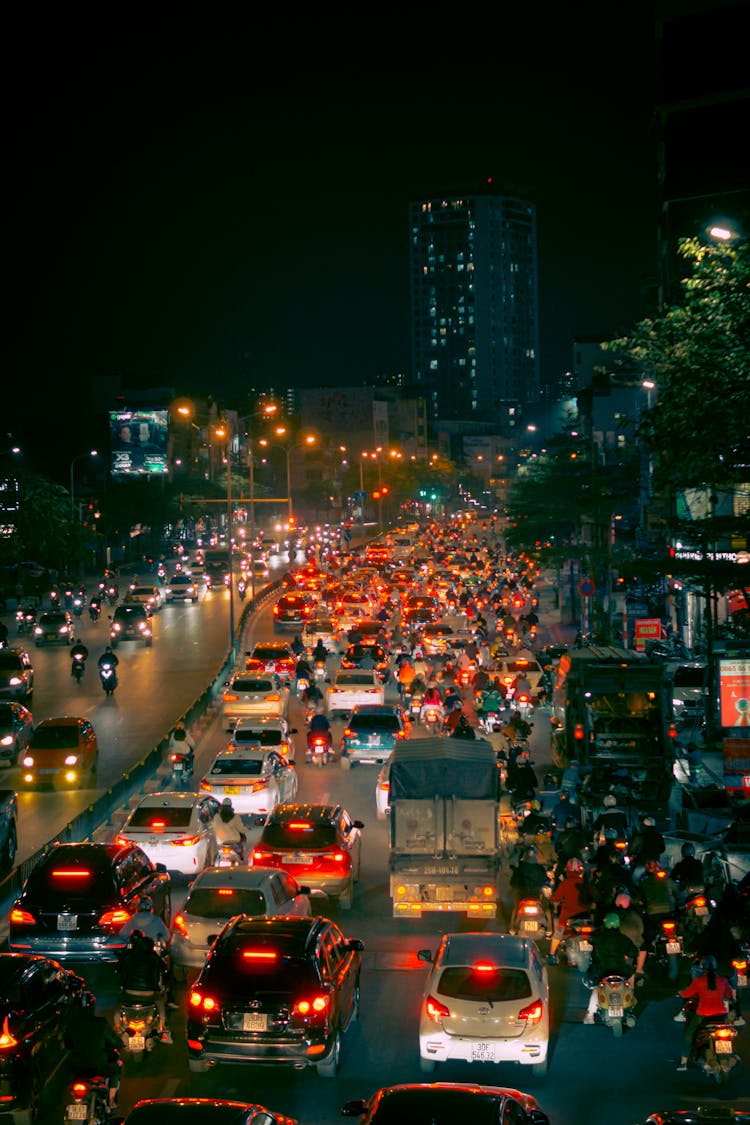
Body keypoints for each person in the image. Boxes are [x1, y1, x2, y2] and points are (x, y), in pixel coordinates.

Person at [64, 992, 122, 1110]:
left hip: (76, 1066)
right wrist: (120, 1043)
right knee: (116, 1068)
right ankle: (111, 1100)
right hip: (98, 1065)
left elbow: (68, 1044)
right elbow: (114, 1041)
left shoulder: (72, 1024)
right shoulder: (100, 1022)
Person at [676, 955, 735, 1070]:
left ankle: (684, 1062)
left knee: (689, 1033)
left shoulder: (699, 981)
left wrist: (679, 992)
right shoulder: (723, 980)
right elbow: (728, 995)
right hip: (721, 1015)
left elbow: (686, 994)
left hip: (703, 1015)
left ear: (703, 968)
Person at [583, 913, 638, 1024]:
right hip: (622, 970)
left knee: (597, 989)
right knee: (630, 983)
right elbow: (634, 953)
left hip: (602, 970)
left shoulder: (598, 938)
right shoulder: (623, 939)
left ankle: (590, 1015)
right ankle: (630, 1006)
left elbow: (589, 939)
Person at [118, 930, 171, 1043]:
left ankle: (118, 1028)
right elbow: (164, 968)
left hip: (129, 992)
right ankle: (163, 1029)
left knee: (118, 1006)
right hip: (149, 993)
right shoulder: (153, 957)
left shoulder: (129, 956)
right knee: (160, 1004)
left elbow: (119, 970)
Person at [548, 858, 594, 964]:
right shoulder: (586, 883)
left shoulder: (566, 883)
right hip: (585, 917)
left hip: (567, 917)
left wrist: (552, 899)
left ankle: (552, 956)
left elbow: (555, 898)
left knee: (558, 935)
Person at [509, 845, 552, 935]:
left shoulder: (520, 867)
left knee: (516, 907)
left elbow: (513, 882)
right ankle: (549, 928)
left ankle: (512, 927)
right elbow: (545, 880)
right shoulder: (539, 868)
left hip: (523, 894)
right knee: (546, 907)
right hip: (536, 894)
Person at [211, 797, 247, 861]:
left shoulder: (216, 817)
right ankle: (241, 857)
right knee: (243, 838)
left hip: (220, 842)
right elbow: (241, 829)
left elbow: (213, 827)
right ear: (231, 806)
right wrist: (247, 828)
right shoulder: (236, 817)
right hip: (234, 841)